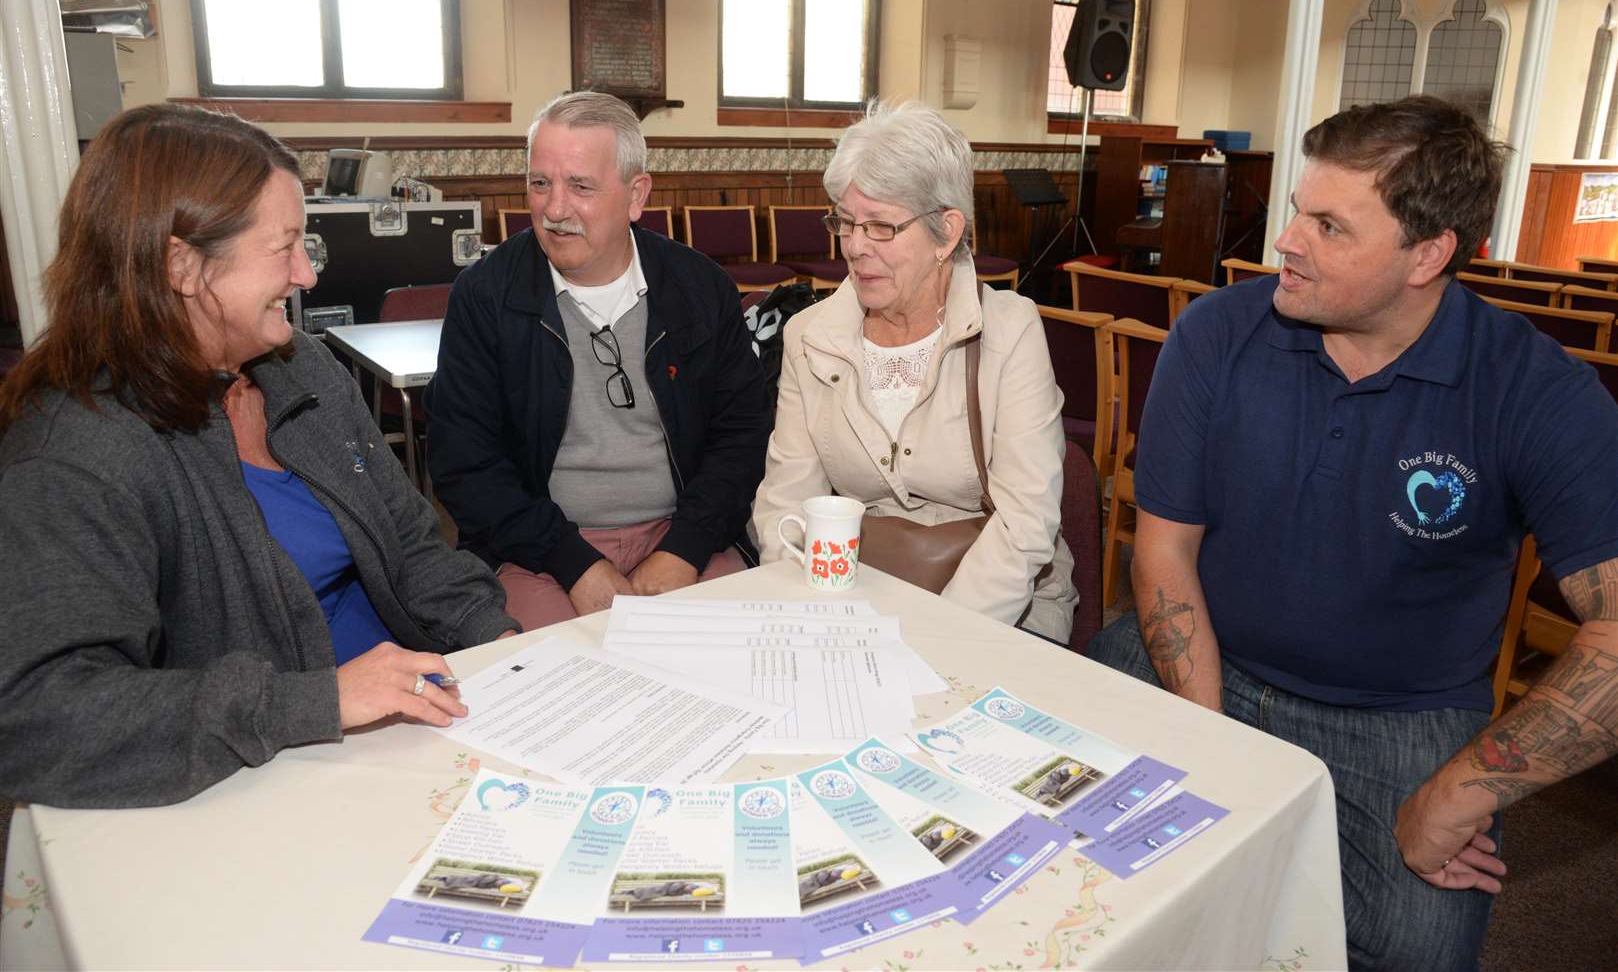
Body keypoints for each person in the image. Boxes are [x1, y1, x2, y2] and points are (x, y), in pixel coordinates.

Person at [1085, 95, 1618, 970]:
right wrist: (1217, 748)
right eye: (1298, 209)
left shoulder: (1533, 390)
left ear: (1429, 254)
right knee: (1057, 843)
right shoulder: (1217, 334)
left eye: (1329, 227)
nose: (1286, 241)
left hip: (1396, 718)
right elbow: (1165, 551)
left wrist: (1456, 795)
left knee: (1412, 951)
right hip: (1198, 659)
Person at [0, 104, 519, 809]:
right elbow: (40, 718)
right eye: (286, 247)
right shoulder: (76, 452)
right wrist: (316, 702)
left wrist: (504, 648)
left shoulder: (299, 366)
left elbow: (412, 545)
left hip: (408, 725)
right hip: (255, 778)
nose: (307, 274)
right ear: (181, 264)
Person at [426, 91, 771, 629]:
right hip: (538, 548)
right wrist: (572, 562)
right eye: (540, 183)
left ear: (636, 196)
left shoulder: (700, 288)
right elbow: (464, 462)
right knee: (552, 685)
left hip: (683, 532)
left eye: (580, 186)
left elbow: (743, 436)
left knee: (742, 656)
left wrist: (685, 547)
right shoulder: (485, 296)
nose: (554, 208)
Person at [752, 100, 1075, 642]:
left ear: (946, 233)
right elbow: (785, 501)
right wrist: (804, 618)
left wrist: (929, 640)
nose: (854, 247)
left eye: (881, 226)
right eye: (845, 222)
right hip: (852, 598)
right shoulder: (809, 336)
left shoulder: (1011, 330)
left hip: (994, 606)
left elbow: (1024, 523)